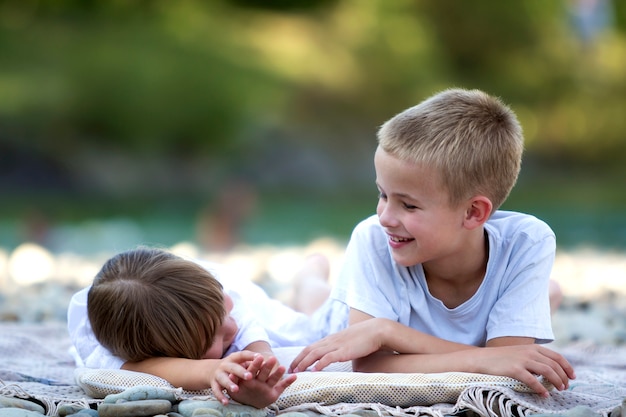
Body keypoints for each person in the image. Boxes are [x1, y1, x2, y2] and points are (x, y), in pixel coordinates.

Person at [289, 88, 576, 398]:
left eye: (408, 205)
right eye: (383, 194)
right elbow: (369, 365)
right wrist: (483, 357)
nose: (385, 217)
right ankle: (308, 276)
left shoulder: (527, 240)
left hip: (395, 326)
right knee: (317, 304)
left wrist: (387, 332)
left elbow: (507, 360)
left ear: (472, 212)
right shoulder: (373, 238)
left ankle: (549, 295)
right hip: (345, 321)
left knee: (549, 292)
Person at [67, 247, 347, 408]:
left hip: (240, 296)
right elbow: (135, 367)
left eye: (222, 313)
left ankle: (308, 278)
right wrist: (210, 371)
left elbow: (249, 333)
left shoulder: (221, 301)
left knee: (310, 327)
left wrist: (259, 367)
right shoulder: (105, 340)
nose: (231, 325)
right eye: (215, 337)